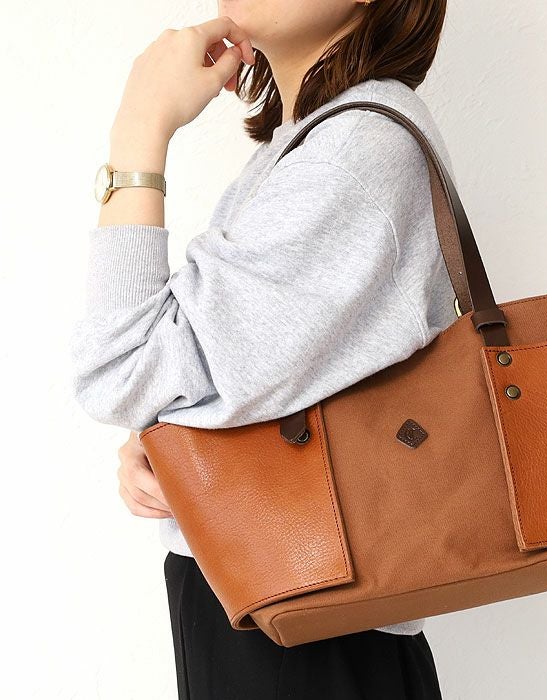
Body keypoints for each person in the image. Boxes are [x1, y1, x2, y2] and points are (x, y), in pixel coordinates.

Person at [70, 0, 456, 697]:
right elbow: (240, 374)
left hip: (304, 625)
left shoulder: (354, 150)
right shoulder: (312, 141)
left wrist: (139, 129)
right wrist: (171, 435)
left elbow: (119, 370)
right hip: (283, 607)